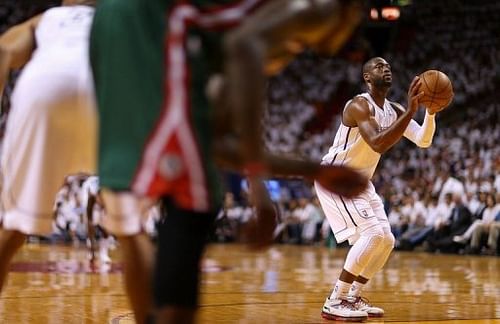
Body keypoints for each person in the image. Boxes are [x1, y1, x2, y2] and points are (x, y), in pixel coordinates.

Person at [89, 0, 367, 323]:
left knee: (196, 196)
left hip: (121, 25)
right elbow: (245, 45)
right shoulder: (318, 8)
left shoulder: (210, 56)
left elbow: (217, 147)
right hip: (146, 17)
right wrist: (260, 194)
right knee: (198, 196)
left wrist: (312, 171)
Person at [314, 57, 443, 321]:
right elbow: (378, 144)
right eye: (378, 66)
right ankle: (335, 299)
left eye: (388, 66)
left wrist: (429, 111)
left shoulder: (393, 109)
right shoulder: (358, 105)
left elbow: (423, 140)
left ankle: (353, 297)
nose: (385, 69)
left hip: (360, 182)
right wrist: (410, 111)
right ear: (366, 77)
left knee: (386, 240)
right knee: (372, 234)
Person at [0, 0, 96, 294]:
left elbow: (4, 51)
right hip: (106, 85)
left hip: (44, 86)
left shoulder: (47, 19)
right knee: (132, 232)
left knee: (11, 229)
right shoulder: (123, 17)